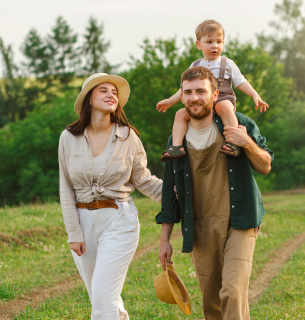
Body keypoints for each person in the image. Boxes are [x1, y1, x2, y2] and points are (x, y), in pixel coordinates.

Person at [156, 66, 274, 320]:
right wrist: (165, 239)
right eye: (187, 92)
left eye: (201, 91)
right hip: (200, 227)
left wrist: (246, 144)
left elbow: (265, 165)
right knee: (212, 303)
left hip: (240, 221)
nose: (194, 98)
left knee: (231, 291)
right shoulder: (176, 140)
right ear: (182, 96)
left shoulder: (238, 123)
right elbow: (169, 193)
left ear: (214, 95)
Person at [58, 73, 162, 320]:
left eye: (114, 92)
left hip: (119, 220)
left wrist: (178, 195)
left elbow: (144, 180)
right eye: (103, 90)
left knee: (103, 293)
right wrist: (74, 232)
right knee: (101, 296)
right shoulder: (68, 137)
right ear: (89, 100)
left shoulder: (128, 136)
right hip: (83, 223)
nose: (110, 95)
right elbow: (65, 188)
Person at [157, 19, 269, 160]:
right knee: (180, 114)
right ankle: (177, 147)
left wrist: (255, 95)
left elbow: (241, 82)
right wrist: (170, 101)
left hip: (223, 98)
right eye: (209, 42)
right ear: (199, 45)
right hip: (202, 103)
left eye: (219, 41)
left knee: (223, 107)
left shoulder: (227, 63)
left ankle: (233, 143)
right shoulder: (196, 65)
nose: (215, 46)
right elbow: (186, 89)